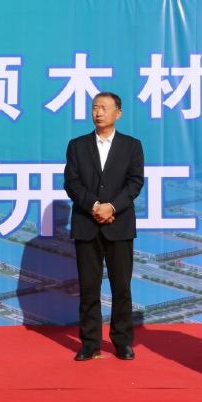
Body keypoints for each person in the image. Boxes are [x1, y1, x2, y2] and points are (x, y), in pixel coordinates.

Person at [64, 92, 144, 361]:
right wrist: (94, 206)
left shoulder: (131, 146)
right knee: (89, 288)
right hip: (87, 224)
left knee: (121, 287)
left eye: (104, 108)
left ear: (118, 113)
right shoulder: (77, 145)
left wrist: (112, 207)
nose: (98, 112)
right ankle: (90, 343)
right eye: (95, 107)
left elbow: (135, 182)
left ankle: (122, 341)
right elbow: (72, 183)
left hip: (119, 224)